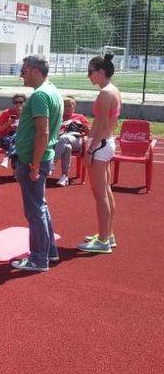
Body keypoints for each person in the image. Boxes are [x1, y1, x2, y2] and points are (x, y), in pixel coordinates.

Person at [10, 55, 63, 272]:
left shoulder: (41, 95)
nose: (21, 74)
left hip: (34, 160)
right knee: (41, 207)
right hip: (41, 157)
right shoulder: (52, 91)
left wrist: (33, 165)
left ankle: (38, 258)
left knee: (35, 211)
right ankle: (49, 251)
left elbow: (43, 132)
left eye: (23, 70)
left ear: (34, 70)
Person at [78, 54, 122, 253]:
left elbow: (103, 124)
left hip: (101, 146)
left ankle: (103, 240)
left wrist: (90, 149)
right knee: (106, 192)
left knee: (100, 195)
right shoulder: (112, 90)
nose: (89, 76)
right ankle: (108, 234)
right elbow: (102, 122)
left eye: (91, 72)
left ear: (101, 72)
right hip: (106, 143)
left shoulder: (105, 93)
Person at [53, 96, 90, 187]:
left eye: (70, 106)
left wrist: (85, 129)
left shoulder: (80, 117)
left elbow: (88, 132)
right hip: (61, 142)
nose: (68, 108)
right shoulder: (58, 118)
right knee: (67, 147)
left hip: (76, 140)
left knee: (65, 138)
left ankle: (52, 163)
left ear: (74, 106)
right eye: (65, 106)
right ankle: (64, 177)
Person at [0, 94, 26, 168]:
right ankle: (16, 171)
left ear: (24, 103)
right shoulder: (7, 113)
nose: (18, 104)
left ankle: (6, 157)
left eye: (20, 102)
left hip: (19, 139)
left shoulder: (27, 114)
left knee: (18, 139)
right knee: (17, 140)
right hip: (5, 138)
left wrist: (23, 116)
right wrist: (8, 123)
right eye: (16, 102)